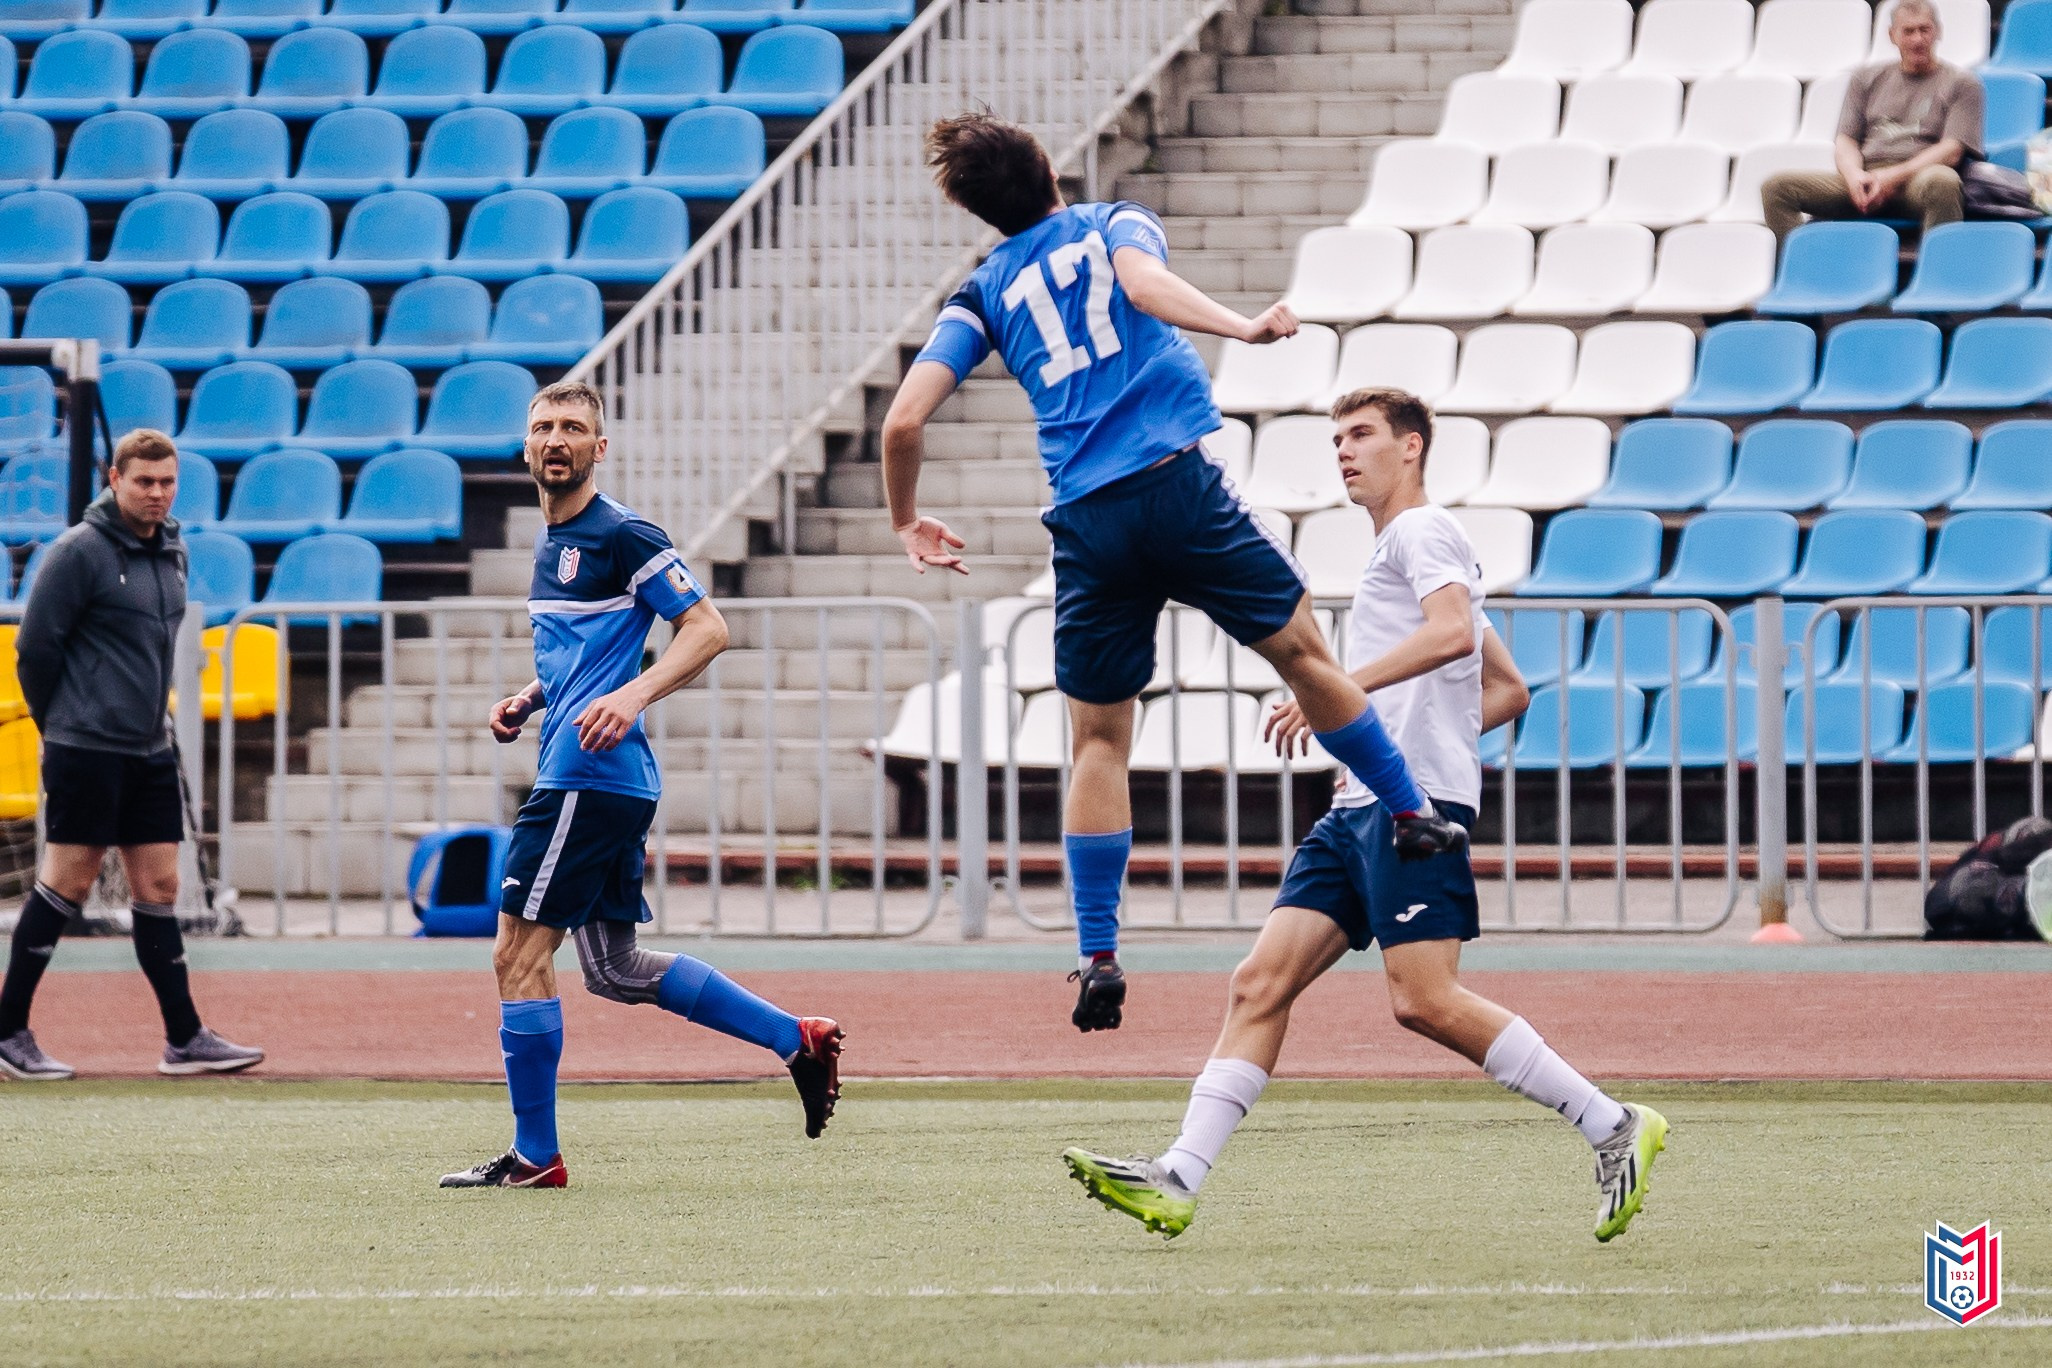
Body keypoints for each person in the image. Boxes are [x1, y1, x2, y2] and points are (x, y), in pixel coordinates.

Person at [882, 113, 1464, 1034]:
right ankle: (1410, 812)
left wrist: (907, 520)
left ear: (984, 213)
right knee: (1306, 655)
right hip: (1174, 486)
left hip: (1086, 520)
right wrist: (1244, 324)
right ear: (1050, 172)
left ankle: (1098, 953)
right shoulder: (1111, 221)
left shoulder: (982, 290)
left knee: (1099, 742)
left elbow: (903, 423)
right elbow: (1143, 285)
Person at [1062, 389, 1668, 1243]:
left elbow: (1453, 634)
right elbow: (1507, 688)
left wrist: (1338, 697)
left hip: (1407, 812)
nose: (1343, 452)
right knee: (1259, 982)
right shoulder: (1408, 546)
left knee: (1424, 1001)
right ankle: (1179, 1175)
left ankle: (1613, 1125)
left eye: (1360, 436)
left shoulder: (1424, 532)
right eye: (1335, 439)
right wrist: (1418, 726)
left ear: (1411, 447)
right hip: (1359, 808)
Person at [439, 382, 844, 1189]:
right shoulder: (551, 541)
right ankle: (795, 1037)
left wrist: (630, 698)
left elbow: (708, 628)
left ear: (600, 447)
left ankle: (534, 1156)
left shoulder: (621, 533)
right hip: (598, 776)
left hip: (585, 779)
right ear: (525, 449)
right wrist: (535, 695)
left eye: (574, 428)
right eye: (543, 427)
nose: (556, 439)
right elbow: (590, 654)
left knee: (516, 954)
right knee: (615, 969)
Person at [0, 429, 264, 1081]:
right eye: (143, 481)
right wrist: (65, 721)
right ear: (113, 479)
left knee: (160, 885)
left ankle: (184, 1039)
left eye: (167, 482)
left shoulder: (172, 549)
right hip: (85, 747)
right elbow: (36, 650)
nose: (156, 493)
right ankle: (8, 1033)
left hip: (150, 748)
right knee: (68, 882)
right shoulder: (78, 552)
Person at [1761, 0, 1981, 238]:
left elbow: (1952, 150)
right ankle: (1804, 267)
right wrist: (1855, 176)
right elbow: (1846, 141)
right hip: (1867, 177)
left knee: (1943, 181)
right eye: (1908, 31)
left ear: (1938, 32)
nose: (1917, 39)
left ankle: (1938, 270)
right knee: (1777, 188)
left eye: (1924, 29)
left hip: (1919, 179)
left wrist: (1892, 177)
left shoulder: (1962, 83)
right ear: (1892, 35)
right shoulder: (1866, 78)